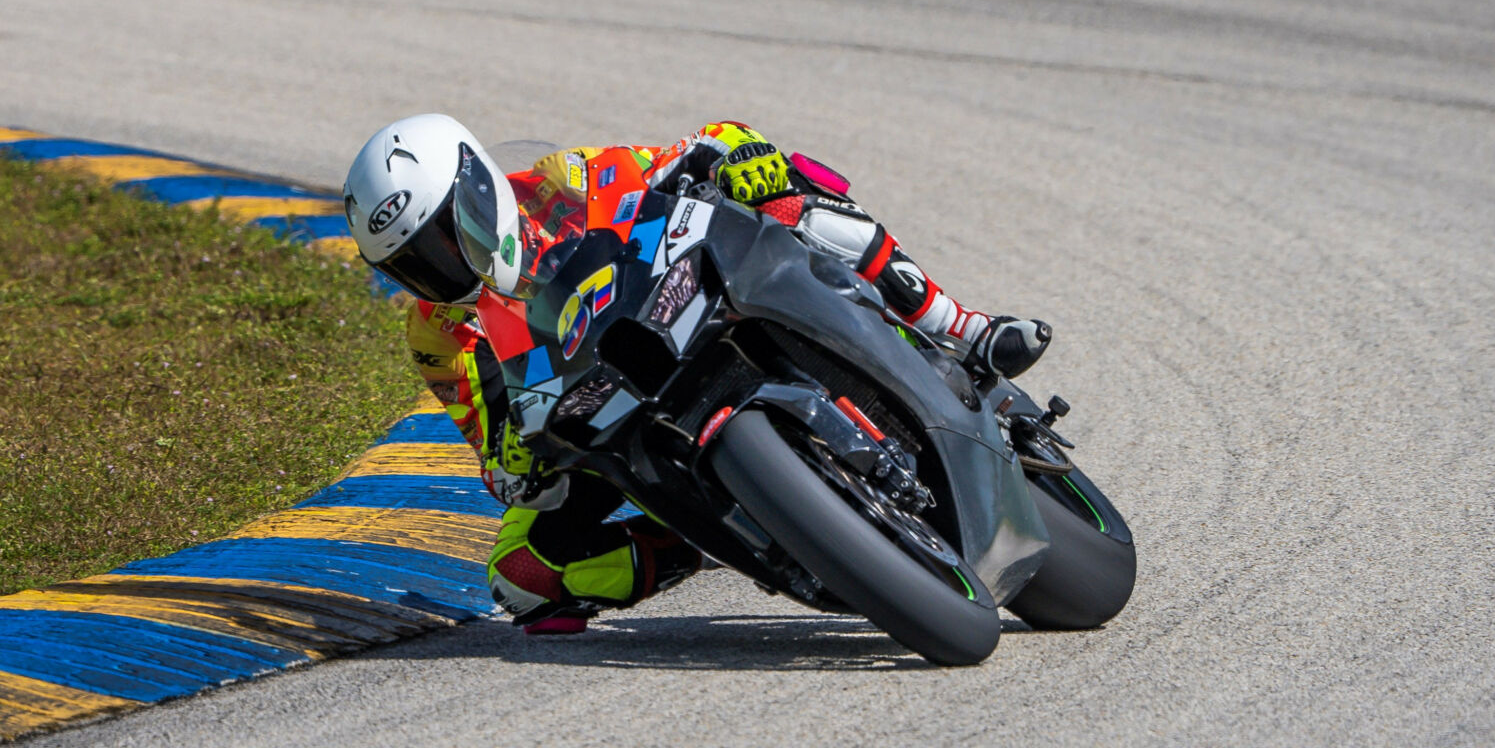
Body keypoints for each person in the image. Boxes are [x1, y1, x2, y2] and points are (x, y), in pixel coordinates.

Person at [343, 116, 1052, 635]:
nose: (440, 269)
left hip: (694, 303)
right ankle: (711, 539)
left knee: (784, 194)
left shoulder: (560, 183)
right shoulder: (437, 334)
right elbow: (493, 454)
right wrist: (515, 462)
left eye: (443, 234)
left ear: (477, 184)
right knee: (521, 578)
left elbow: (683, 154)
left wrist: (733, 152)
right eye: (413, 265)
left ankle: (960, 325)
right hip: (603, 406)